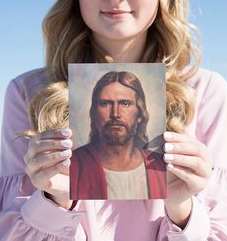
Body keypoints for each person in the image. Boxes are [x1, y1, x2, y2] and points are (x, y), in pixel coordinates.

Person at [0, 0, 227, 241]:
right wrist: (53, 200)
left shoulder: (204, 91)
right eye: (104, 103)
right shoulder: (31, 92)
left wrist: (183, 208)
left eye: (125, 103)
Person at [70, 70, 166, 200]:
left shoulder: (159, 166)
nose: (115, 113)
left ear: (139, 113)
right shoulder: (74, 164)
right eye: (105, 103)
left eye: (125, 103)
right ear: (94, 113)